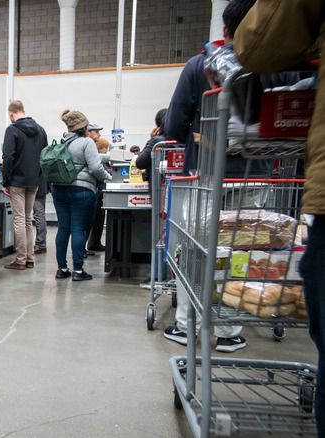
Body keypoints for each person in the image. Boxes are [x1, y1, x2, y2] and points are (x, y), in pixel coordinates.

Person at [233, 0, 325, 431]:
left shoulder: (203, 64)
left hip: (228, 166)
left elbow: (257, 44)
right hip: (261, 172)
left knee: (214, 241)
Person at [163, 0, 260, 353]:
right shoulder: (279, 64)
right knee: (240, 251)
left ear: (225, 30)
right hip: (256, 174)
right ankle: (231, 328)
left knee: (197, 250)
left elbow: (174, 125)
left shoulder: (199, 65)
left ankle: (188, 324)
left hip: (205, 175)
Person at [52, 110, 111, 281]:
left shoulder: (61, 141)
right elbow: (95, 168)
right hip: (82, 191)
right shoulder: (86, 142)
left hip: (59, 190)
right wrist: (109, 178)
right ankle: (78, 271)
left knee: (63, 229)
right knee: (78, 228)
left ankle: (62, 269)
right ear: (84, 127)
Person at [1, 100, 47, 270]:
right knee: (28, 220)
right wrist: (38, 176)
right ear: (23, 111)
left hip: (18, 182)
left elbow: (8, 157)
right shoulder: (41, 130)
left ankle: (20, 260)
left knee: (19, 220)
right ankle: (30, 258)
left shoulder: (12, 129)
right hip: (34, 181)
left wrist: (6, 181)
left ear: (11, 113)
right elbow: (45, 157)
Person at [86, 137, 111, 253]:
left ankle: (95, 242)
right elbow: (101, 172)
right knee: (95, 220)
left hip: (100, 192)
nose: (106, 150)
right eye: (104, 147)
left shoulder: (103, 160)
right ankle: (92, 243)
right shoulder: (98, 160)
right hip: (98, 191)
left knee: (99, 219)